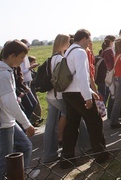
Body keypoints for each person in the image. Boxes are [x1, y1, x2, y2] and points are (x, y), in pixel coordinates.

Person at [0, 40, 35, 179]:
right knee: (3, 162)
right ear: (12, 55)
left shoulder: (2, 71)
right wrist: (26, 124)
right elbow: (10, 103)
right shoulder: (2, 75)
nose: (23, 60)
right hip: (0, 124)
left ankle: (19, 175)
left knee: (25, 147)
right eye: (21, 57)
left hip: (5, 120)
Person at [61, 29, 110, 169]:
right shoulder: (80, 52)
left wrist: (88, 91)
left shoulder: (69, 51)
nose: (89, 44)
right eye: (89, 40)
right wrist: (87, 96)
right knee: (95, 122)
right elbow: (82, 76)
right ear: (83, 39)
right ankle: (100, 154)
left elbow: (73, 76)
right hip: (78, 93)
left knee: (72, 125)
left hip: (68, 93)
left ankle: (67, 158)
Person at [42, 34, 70, 164]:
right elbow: (62, 78)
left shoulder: (52, 58)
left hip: (50, 95)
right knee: (69, 115)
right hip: (58, 95)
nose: (69, 44)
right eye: (68, 42)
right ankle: (72, 144)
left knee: (50, 125)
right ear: (63, 43)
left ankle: (49, 154)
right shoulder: (60, 59)